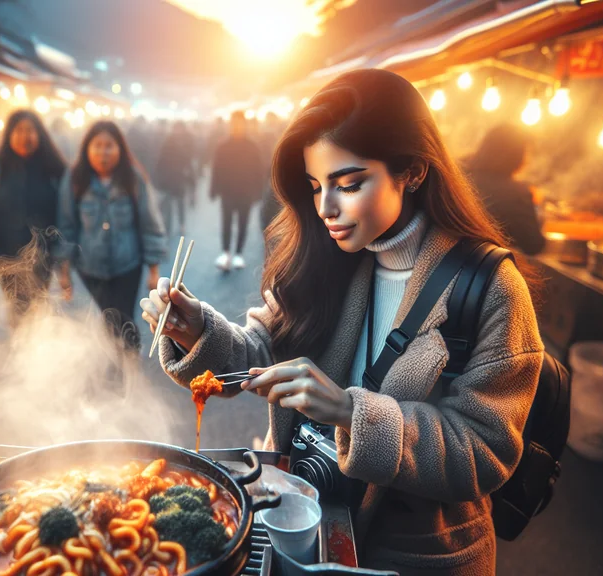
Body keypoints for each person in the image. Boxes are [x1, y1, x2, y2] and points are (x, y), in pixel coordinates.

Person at [140, 69, 542, 575]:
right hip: (304, 514)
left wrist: (351, 413)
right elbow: (258, 351)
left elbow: (486, 451)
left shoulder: (490, 288)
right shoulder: (331, 253)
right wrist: (196, 329)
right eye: (314, 186)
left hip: (414, 554)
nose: (326, 208)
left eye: (348, 184)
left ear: (413, 171)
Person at [57, 121, 166, 351]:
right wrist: (64, 271)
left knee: (123, 317)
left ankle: (128, 360)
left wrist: (153, 269)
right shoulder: (75, 178)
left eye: (109, 145)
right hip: (89, 267)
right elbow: (66, 225)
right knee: (109, 317)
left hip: (128, 264)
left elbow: (149, 222)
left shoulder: (133, 178)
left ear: (120, 148)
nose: (103, 152)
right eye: (97, 145)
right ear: (87, 149)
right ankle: (118, 358)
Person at [0, 110, 68, 322]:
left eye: (30, 130)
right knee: (17, 304)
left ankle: (29, 344)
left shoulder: (54, 169)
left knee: (36, 304)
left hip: (43, 253)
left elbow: (64, 214)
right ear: (9, 135)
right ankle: (21, 344)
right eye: (18, 131)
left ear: (40, 135)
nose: (24, 136)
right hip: (5, 251)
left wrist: (63, 256)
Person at [466, 124, 545, 255]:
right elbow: (533, 244)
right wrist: (540, 216)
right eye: (527, 152)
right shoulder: (517, 193)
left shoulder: (460, 174)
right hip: (490, 268)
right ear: (517, 156)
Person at [210, 112, 264, 271]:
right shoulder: (223, 145)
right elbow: (216, 168)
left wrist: (258, 191)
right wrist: (214, 189)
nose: (237, 126)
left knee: (243, 223)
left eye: (240, 123)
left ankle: (239, 253)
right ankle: (225, 252)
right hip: (227, 191)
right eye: (234, 123)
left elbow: (259, 170)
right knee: (226, 222)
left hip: (245, 192)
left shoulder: (252, 146)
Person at [154, 121, 196, 237]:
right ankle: (168, 228)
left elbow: (188, 160)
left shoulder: (186, 141)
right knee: (168, 206)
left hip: (178, 179)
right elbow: (160, 162)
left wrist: (190, 179)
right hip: (169, 179)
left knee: (179, 203)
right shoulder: (168, 143)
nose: (177, 131)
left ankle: (181, 225)